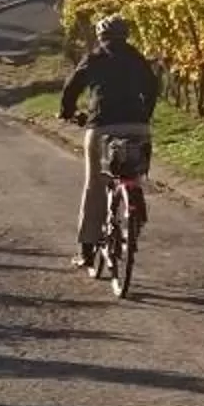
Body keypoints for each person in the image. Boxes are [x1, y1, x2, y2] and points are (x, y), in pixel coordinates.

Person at [59, 14, 160, 269]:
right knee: (133, 171)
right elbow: (152, 88)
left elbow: (71, 88)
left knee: (95, 183)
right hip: (137, 125)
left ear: (101, 36)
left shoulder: (94, 58)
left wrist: (67, 112)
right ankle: (133, 208)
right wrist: (144, 117)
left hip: (103, 125)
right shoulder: (137, 58)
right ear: (125, 36)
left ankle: (86, 250)